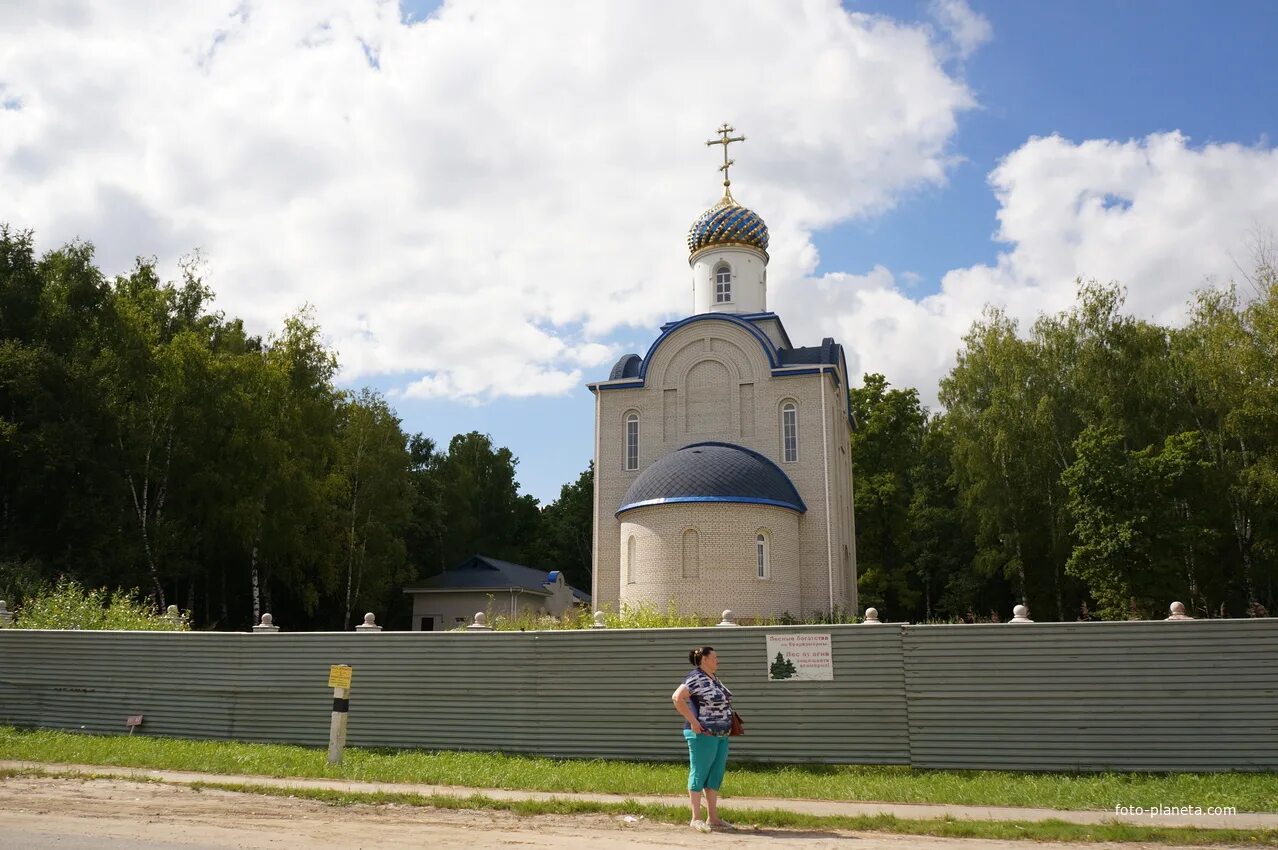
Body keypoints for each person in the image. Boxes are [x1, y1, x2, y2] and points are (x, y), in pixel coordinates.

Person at [671, 645, 735, 832]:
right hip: (703, 734)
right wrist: (693, 722)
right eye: (714, 658)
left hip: (721, 734)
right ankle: (695, 818)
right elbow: (677, 698)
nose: (718, 660)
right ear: (704, 660)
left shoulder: (714, 679)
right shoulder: (695, 677)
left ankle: (713, 818)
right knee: (699, 773)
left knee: (715, 775)